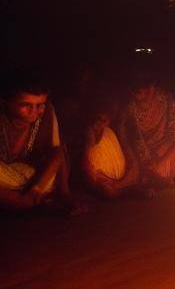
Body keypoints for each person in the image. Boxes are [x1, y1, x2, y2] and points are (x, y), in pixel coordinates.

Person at [0, 71, 83, 213]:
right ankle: (26, 202)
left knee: (49, 179)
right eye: (25, 105)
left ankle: (32, 199)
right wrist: (19, 200)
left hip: (21, 175)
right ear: (5, 102)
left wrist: (61, 193)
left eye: (40, 105)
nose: (34, 111)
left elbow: (56, 153)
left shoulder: (44, 113)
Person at [118, 71, 175, 186]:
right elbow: (134, 141)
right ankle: (161, 177)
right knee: (148, 173)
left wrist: (159, 153)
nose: (141, 92)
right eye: (137, 89)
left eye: (146, 87)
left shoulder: (165, 98)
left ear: (153, 85)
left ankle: (162, 176)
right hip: (142, 159)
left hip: (163, 152)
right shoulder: (129, 106)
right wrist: (147, 163)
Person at [82, 103, 142, 198]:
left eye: (103, 120)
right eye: (97, 118)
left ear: (109, 121)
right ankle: (125, 193)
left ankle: (124, 189)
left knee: (135, 172)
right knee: (107, 190)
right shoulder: (87, 134)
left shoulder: (110, 133)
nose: (98, 123)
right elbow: (87, 167)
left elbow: (129, 156)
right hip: (101, 178)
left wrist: (119, 182)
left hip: (118, 180)